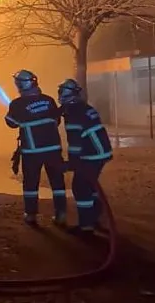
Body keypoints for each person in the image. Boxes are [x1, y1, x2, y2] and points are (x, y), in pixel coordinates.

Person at [5, 69, 67, 227]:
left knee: (31, 184)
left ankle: (31, 215)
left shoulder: (17, 104)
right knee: (57, 182)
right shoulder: (49, 100)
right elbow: (57, 120)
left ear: (21, 84)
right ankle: (61, 214)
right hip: (53, 149)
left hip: (32, 152)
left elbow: (11, 123)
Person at [58, 79, 113, 236]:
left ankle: (86, 226)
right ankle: (94, 217)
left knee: (80, 188)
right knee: (90, 186)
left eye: (61, 92)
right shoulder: (83, 108)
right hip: (101, 152)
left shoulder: (73, 113)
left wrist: (72, 163)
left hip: (91, 154)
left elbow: (75, 143)